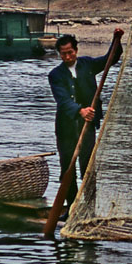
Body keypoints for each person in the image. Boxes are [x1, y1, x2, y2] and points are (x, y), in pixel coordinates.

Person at [48, 29, 123, 215]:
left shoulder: (87, 65)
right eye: (63, 54)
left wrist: (116, 39)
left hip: (87, 127)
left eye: (70, 52)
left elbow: (110, 59)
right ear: (59, 54)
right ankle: (72, 208)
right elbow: (63, 100)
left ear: (76, 50)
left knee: (88, 169)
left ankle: (90, 209)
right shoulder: (55, 75)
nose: (67, 56)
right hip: (66, 129)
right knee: (68, 169)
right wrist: (80, 111)